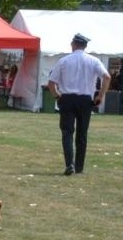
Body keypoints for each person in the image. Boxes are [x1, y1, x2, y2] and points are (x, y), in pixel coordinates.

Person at [46, 32, 109, 175]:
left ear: (73, 45)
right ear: (85, 46)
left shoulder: (64, 61)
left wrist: (57, 96)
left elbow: (51, 83)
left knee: (67, 132)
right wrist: (100, 95)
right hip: (86, 99)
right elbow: (107, 77)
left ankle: (70, 164)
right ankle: (79, 166)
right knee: (82, 133)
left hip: (67, 99)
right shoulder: (94, 61)